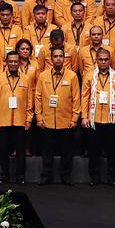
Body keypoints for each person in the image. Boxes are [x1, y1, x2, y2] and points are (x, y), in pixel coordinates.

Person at [34, 46, 80, 185]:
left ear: (64, 59)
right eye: (56, 56)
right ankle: (46, 176)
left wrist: (74, 118)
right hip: (47, 121)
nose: (58, 59)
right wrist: (39, 118)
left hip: (65, 121)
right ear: (51, 59)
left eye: (61, 56)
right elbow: (38, 97)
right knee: (47, 152)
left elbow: (76, 98)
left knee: (67, 152)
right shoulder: (43, 76)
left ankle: (66, 176)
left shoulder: (72, 76)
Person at [82, 47, 115, 185]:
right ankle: (94, 177)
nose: (103, 62)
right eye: (100, 59)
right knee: (93, 151)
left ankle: (112, 177)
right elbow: (85, 97)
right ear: (96, 60)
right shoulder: (89, 76)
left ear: (110, 61)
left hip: (111, 118)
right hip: (94, 119)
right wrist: (84, 116)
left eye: (106, 60)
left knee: (112, 152)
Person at [0, 49, 32, 184]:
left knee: (21, 151)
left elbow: (29, 101)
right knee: (4, 150)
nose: (13, 64)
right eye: (11, 61)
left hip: (20, 121)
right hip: (3, 120)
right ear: (6, 63)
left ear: (19, 62)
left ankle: (21, 176)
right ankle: (5, 175)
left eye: (16, 61)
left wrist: (28, 119)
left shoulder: (26, 79)